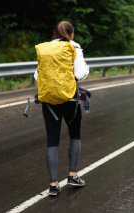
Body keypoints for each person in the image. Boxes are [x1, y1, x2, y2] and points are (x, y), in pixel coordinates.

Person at [34, 21, 89, 196]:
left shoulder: (46, 49)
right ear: (71, 34)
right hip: (70, 100)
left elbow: (36, 75)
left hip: (49, 101)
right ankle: (73, 175)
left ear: (54, 33)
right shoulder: (74, 47)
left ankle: (53, 184)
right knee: (74, 134)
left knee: (52, 139)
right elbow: (80, 73)